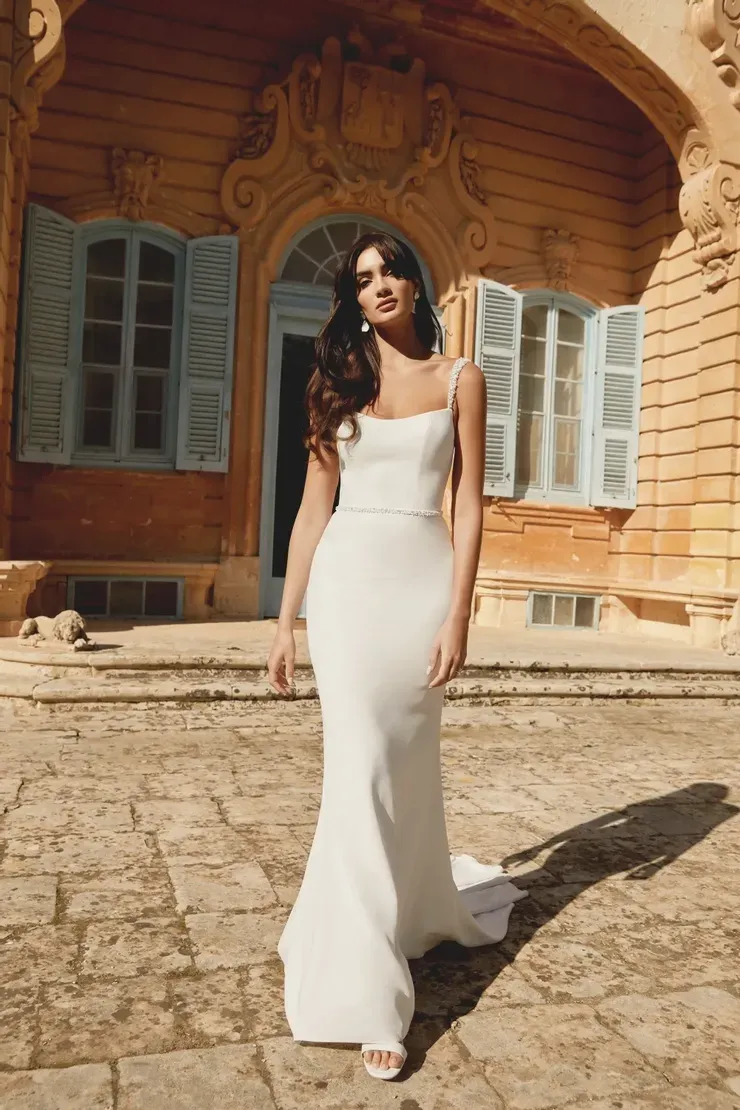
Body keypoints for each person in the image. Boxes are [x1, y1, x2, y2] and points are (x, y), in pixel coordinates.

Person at [266, 231, 526, 1081]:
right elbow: (311, 514)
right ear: (355, 297)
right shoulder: (338, 384)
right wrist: (284, 621)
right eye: (363, 278)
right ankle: (371, 984)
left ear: (418, 286)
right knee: (360, 760)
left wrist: (460, 613)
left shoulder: (462, 380)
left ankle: (407, 910)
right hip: (345, 589)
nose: (379, 286)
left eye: (391, 272)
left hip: (419, 588)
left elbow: (471, 507)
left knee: (403, 765)